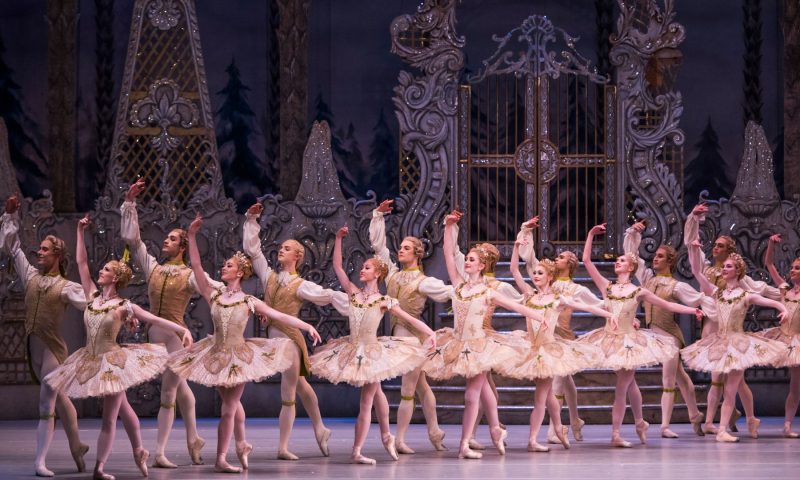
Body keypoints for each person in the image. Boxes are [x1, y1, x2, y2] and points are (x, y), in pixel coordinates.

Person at [169, 214, 321, 473]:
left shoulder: (249, 300)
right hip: (215, 354)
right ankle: (241, 444)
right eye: (224, 266)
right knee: (232, 405)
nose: (223, 269)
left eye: (228, 266)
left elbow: (280, 315)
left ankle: (220, 457)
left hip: (239, 357)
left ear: (239, 272)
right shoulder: (214, 295)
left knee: (228, 407)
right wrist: (192, 237)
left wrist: (306, 326)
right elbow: (195, 266)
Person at [45, 215, 193, 480]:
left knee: (109, 416)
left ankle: (99, 467)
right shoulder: (91, 297)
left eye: (105, 270)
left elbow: (154, 318)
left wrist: (183, 329)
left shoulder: (124, 306)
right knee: (125, 410)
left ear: (115, 278)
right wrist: (79, 231)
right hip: (90, 358)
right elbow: (81, 263)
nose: (99, 272)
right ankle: (140, 451)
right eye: (101, 270)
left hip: (112, 363)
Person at [308, 225, 436, 465]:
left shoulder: (384, 300)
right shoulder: (354, 294)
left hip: (372, 352)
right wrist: (337, 239)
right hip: (352, 349)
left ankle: (357, 450)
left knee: (367, 400)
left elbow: (409, 319)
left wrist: (431, 333)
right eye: (362, 268)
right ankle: (387, 436)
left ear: (377, 273)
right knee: (376, 394)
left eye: (366, 268)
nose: (361, 271)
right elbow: (337, 267)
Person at [120, 179, 217, 467]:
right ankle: (193, 438)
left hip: (175, 338)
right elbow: (134, 242)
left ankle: (160, 451)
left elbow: (211, 286)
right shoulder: (154, 268)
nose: (166, 240)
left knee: (168, 392)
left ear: (183, 247)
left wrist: (238, 297)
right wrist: (129, 204)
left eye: (173, 239)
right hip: (154, 335)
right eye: (167, 238)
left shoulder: (187, 275)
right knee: (183, 391)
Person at [579, 223, 702, 447]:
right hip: (609, 340)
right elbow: (586, 261)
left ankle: (616, 433)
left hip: (629, 342)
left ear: (631, 267)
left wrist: (692, 309)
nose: (618, 262)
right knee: (629, 383)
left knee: (622, 387)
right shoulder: (607, 287)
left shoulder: (639, 291)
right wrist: (589, 234)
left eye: (622, 260)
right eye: (617, 260)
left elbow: (668, 305)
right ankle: (640, 422)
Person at [242, 203, 343, 460]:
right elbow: (254, 254)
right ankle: (320, 428)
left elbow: (325, 295)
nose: (281, 250)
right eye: (281, 247)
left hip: (289, 340)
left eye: (287, 248)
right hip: (272, 340)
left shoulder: (300, 284)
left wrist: (351, 302)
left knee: (288, 393)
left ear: (297, 256)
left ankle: (283, 446)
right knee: (300, 385)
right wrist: (252, 220)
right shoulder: (270, 277)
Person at [0, 195, 90, 477]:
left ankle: (40, 461)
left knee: (46, 401)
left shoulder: (66, 287)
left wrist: (117, 308)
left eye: (44, 249)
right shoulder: (31, 277)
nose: (39, 253)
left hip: (53, 350)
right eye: (39, 249)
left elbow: (90, 303)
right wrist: (10, 217)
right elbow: (12, 248)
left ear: (57, 256)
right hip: (34, 349)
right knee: (61, 399)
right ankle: (77, 446)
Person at [422, 210, 518, 459]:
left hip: (478, 343)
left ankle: (465, 443)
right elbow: (447, 255)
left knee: (471, 393)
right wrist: (447, 227)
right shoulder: (459, 286)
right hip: (458, 342)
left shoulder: (489, 290)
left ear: (482, 265)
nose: (467, 263)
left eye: (472, 260)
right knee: (482, 388)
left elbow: (517, 306)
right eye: (468, 260)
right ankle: (496, 429)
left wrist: (539, 316)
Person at [493, 242, 605, 452]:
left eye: (540, 273)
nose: (535, 276)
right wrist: (516, 246)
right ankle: (560, 427)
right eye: (534, 273)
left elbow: (586, 306)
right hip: (531, 349)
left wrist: (610, 315)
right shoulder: (529, 295)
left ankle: (533, 439)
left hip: (548, 351)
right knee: (549, 396)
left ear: (549, 277)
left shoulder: (556, 299)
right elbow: (514, 270)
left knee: (541, 396)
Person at [684, 203, 782, 434]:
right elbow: (696, 266)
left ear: (731, 256)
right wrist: (693, 223)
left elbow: (763, 293)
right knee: (725, 380)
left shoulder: (741, 284)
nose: (715, 248)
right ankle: (727, 420)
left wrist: (784, 300)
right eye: (715, 245)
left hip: (734, 336)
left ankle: (729, 421)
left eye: (720, 246)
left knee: (732, 382)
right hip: (714, 330)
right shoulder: (711, 275)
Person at [367, 199, 452, 453]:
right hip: (398, 336)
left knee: (408, 389)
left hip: (414, 340)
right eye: (401, 247)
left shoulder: (423, 281)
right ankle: (435, 431)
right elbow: (379, 247)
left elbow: (446, 291)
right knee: (421, 387)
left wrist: (470, 290)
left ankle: (401, 439)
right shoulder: (392, 274)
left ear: (417, 254)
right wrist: (377, 217)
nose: (400, 251)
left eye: (406, 248)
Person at [515, 216, 603, 442]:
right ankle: (574, 420)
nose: (557, 258)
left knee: (558, 381)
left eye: (562, 257)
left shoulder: (574, 289)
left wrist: (622, 314)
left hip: (561, 337)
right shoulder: (546, 284)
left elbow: (596, 304)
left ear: (571, 265)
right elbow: (529, 261)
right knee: (565, 380)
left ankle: (555, 430)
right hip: (544, 336)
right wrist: (525, 232)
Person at [623, 221, 705, 438]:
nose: (655, 258)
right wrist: (633, 233)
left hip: (669, 336)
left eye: (660, 256)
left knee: (668, 380)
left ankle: (665, 426)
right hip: (654, 334)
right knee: (680, 376)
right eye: (655, 256)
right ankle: (695, 414)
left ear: (670, 261)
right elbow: (632, 258)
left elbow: (696, 299)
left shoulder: (675, 285)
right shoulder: (648, 279)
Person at [763, 234, 800, 437]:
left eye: (797, 268)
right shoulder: (785, 291)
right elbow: (769, 264)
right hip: (787, 340)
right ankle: (787, 425)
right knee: (794, 387)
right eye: (792, 268)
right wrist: (770, 244)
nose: (792, 271)